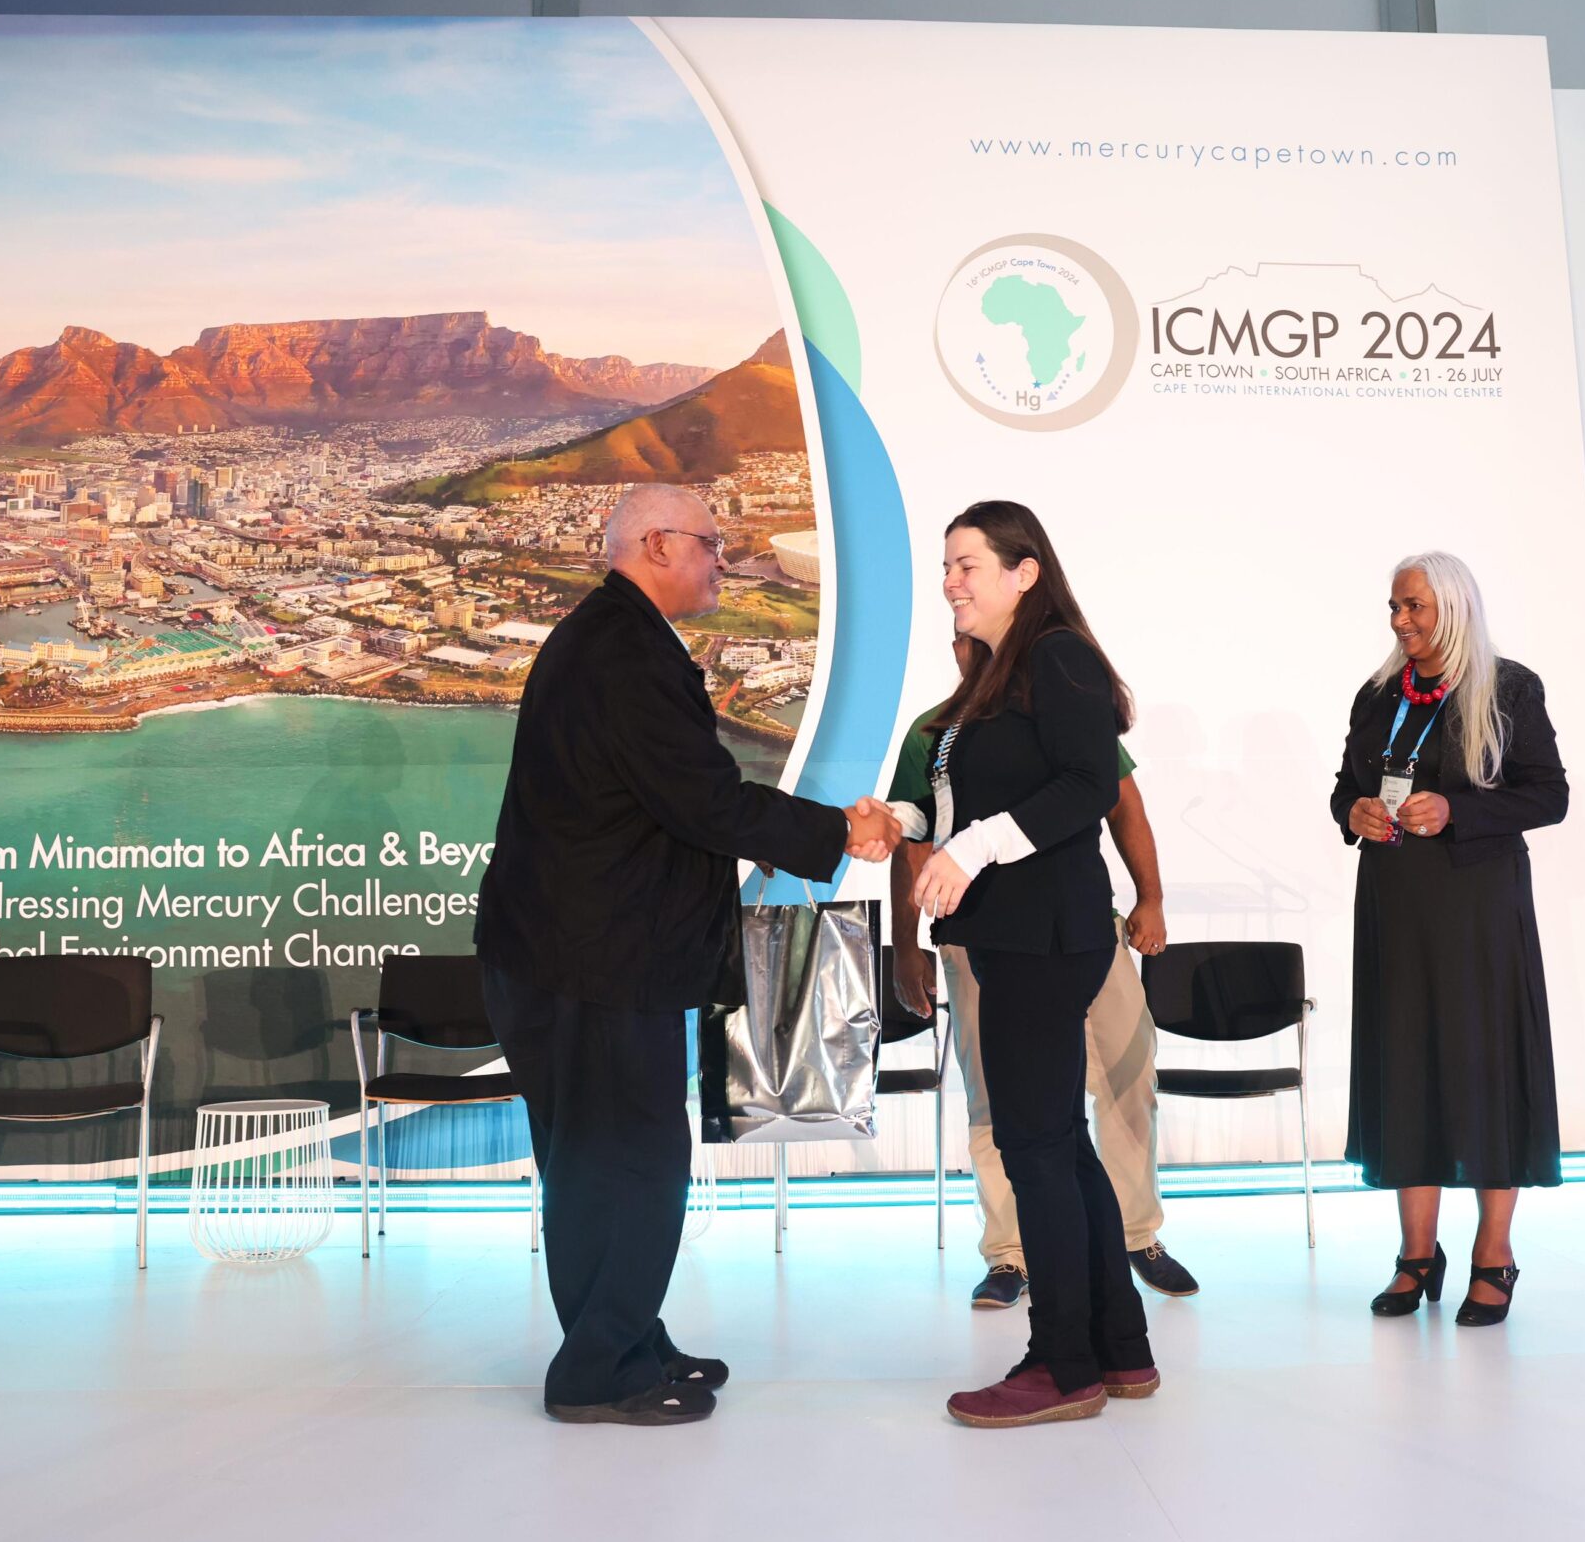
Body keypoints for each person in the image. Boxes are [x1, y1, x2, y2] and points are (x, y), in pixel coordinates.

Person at [475, 483, 902, 1425]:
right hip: (593, 962)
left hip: (572, 956)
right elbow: (705, 799)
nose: (725, 561)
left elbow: (671, 802)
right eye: (712, 544)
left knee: (597, 1165)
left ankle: (627, 1338)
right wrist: (840, 830)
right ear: (657, 544)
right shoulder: (625, 654)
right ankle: (599, 1371)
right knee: (630, 1165)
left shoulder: (609, 637)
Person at [891, 500, 1157, 1427]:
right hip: (1013, 938)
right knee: (1058, 1145)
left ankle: (1062, 1365)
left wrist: (972, 850)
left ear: (1024, 571)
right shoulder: (994, 675)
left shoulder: (1057, 655)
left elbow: (1087, 786)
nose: (949, 582)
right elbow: (968, 797)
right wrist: (905, 823)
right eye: (946, 566)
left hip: (1045, 937)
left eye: (966, 564)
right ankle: (1121, 1348)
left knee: (1035, 1150)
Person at [889, 637, 1197, 1309]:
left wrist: (1150, 898)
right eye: (962, 634)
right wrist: (906, 945)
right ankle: (1011, 1252)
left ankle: (1134, 1235)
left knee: (1127, 1074)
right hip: (976, 936)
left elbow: (1122, 803)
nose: (974, 643)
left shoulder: (1060, 710)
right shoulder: (933, 732)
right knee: (994, 1096)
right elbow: (912, 843)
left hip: (1082, 931)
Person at [1328, 550, 1568, 1327]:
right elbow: (1346, 785)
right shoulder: (1377, 694)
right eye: (1395, 607)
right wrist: (1354, 811)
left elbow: (1549, 795)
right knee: (1406, 1067)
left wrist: (1458, 810)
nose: (1400, 621)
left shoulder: (1509, 688)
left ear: (1454, 608)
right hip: (1395, 908)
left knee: (1484, 1069)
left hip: (1478, 911)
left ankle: (1493, 1255)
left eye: (1414, 607)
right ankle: (1416, 1255)